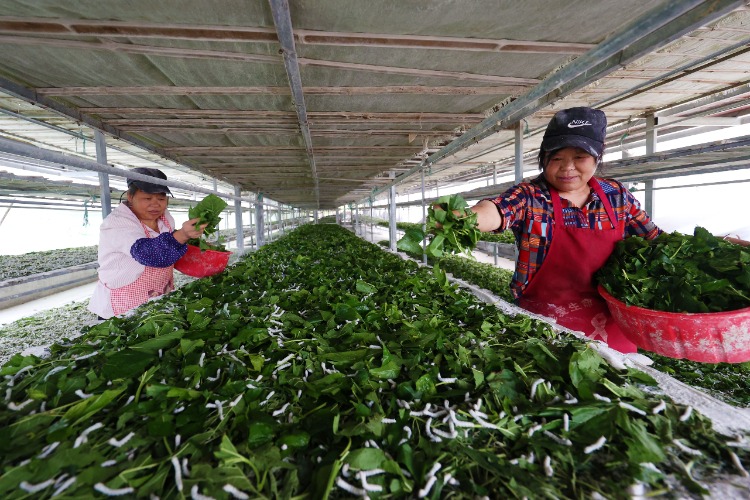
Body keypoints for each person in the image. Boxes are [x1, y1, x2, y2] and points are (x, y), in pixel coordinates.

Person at [469, 107, 661, 353]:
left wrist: (719, 245)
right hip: (543, 324)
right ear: (544, 158)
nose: (567, 168)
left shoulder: (616, 195)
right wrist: (466, 218)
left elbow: (654, 240)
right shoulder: (531, 196)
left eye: (579, 157)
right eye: (557, 158)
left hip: (611, 326)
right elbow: (496, 211)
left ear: (597, 158)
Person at [89, 168, 206, 319]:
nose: (156, 205)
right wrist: (182, 234)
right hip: (122, 305)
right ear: (130, 197)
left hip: (158, 297)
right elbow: (149, 254)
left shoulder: (165, 218)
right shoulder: (118, 223)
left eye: (161, 199)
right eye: (147, 198)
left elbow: (168, 246)